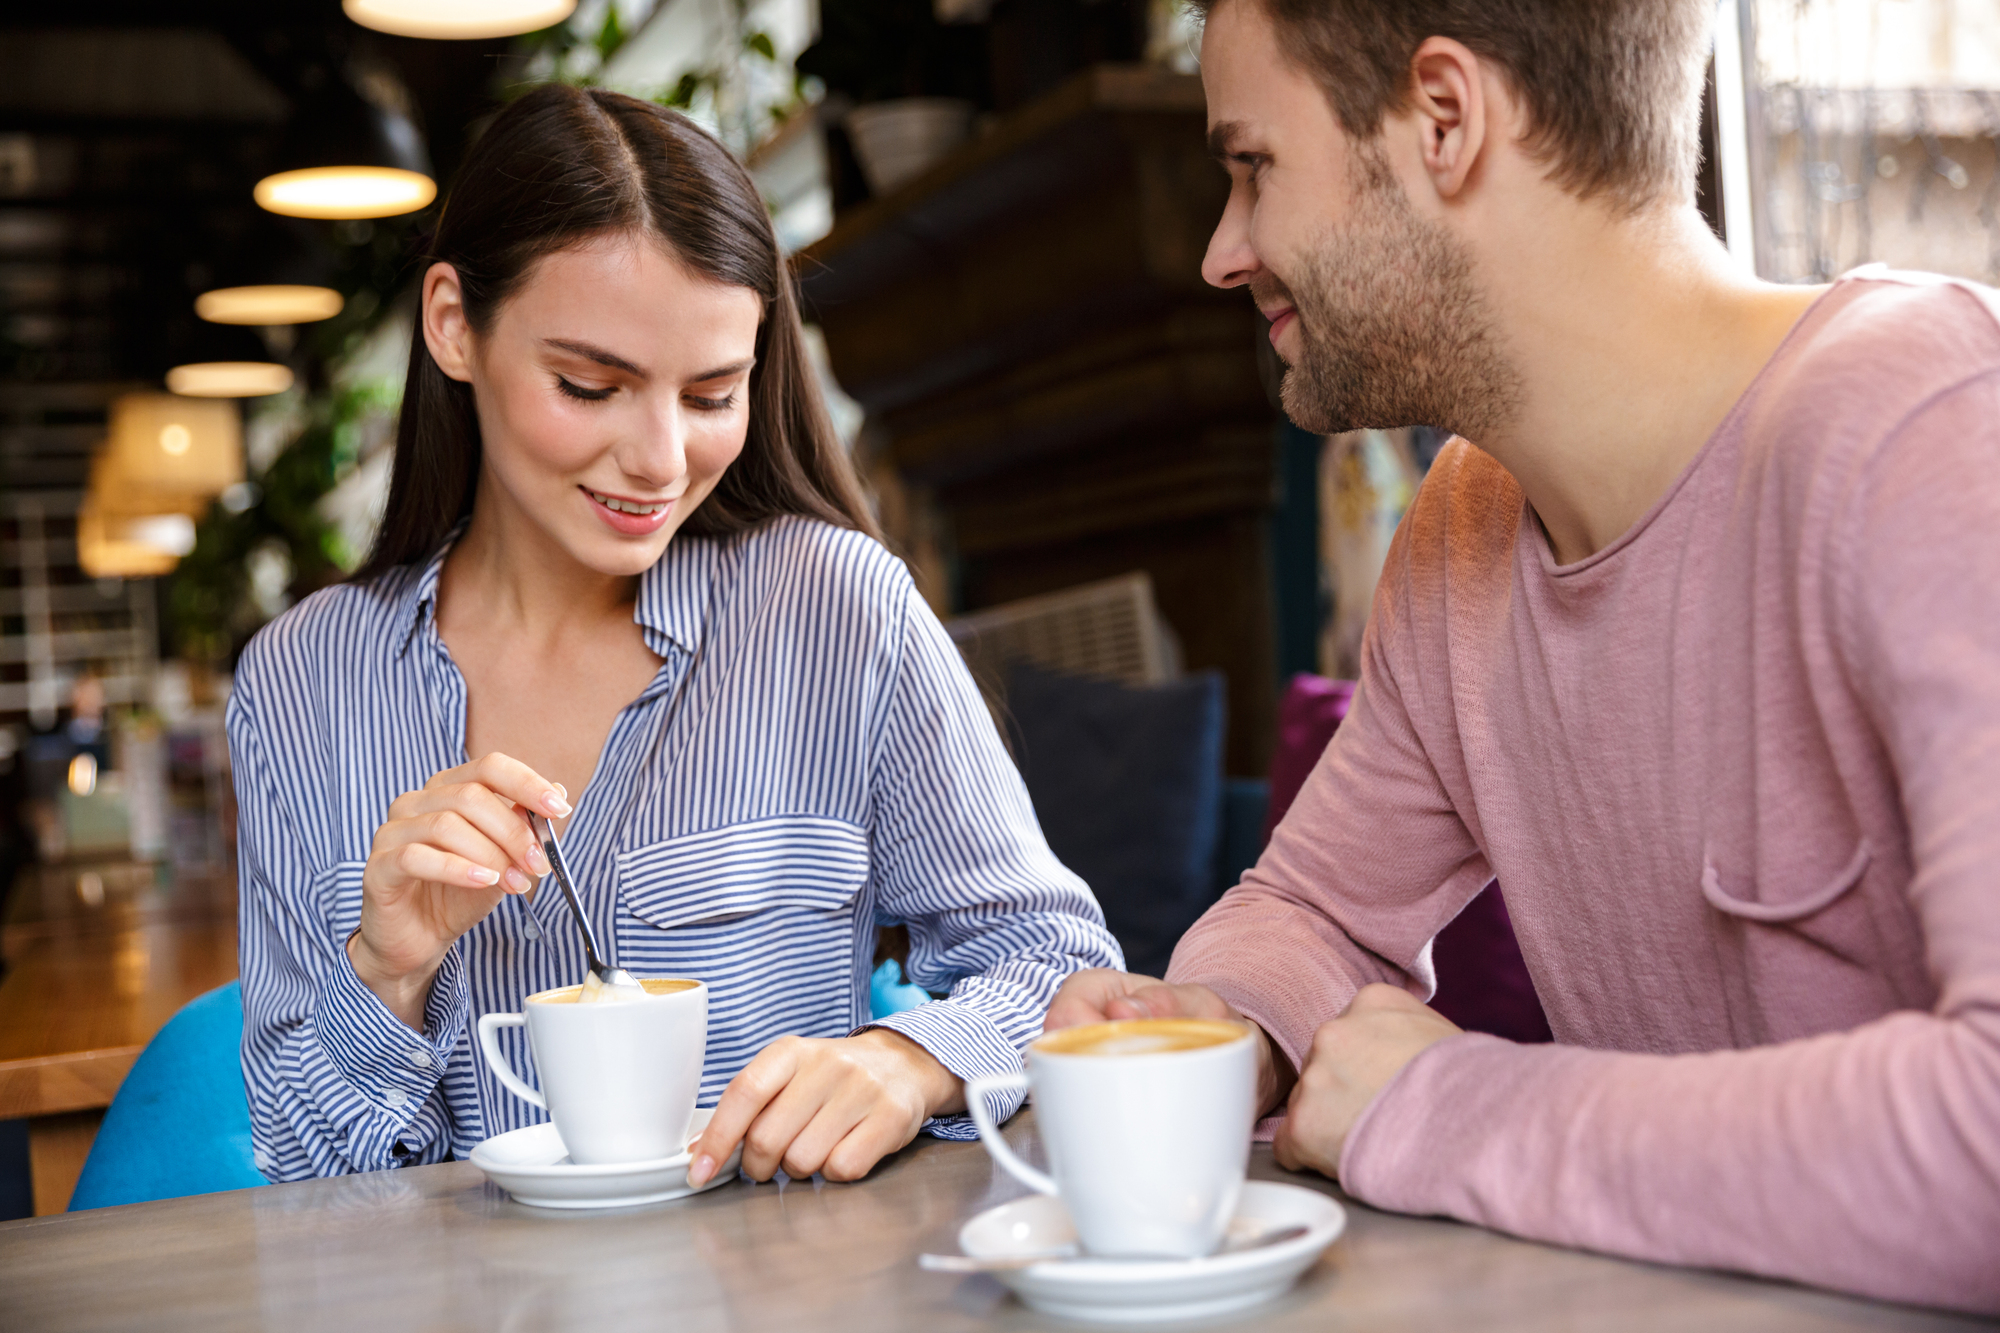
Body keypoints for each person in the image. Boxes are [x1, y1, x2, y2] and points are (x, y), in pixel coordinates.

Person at [1049, 0, 1999, 1312]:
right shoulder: (1465, 527)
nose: (1225, 251)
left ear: (1446, 120)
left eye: (1253, 167)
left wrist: (1447, 1106)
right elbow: (1315, 909)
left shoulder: (1930, 433)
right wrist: (1209, 1028)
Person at [232, 83, 1120, 1189]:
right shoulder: (299, 686)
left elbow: (1058, 965)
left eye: (710, 394)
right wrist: (387, 970)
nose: (658, 459)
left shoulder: (833, 610)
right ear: (453, 324)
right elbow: (303, 1186)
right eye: (589, 385)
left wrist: (910, 1059)